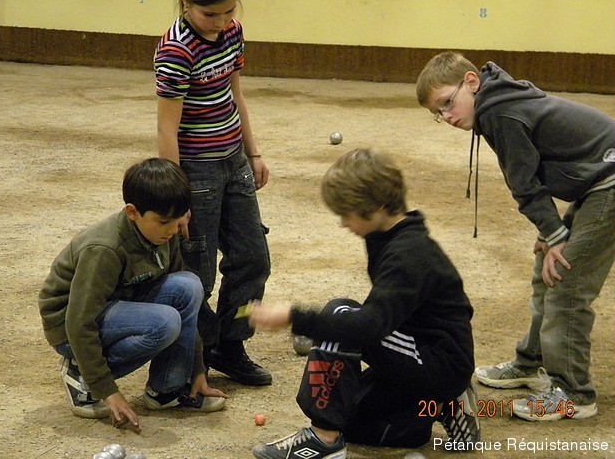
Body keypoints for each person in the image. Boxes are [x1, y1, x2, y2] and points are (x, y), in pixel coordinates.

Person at [415, 51, 615, 421]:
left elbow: (524, 184)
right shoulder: (497, 103)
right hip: (596, 181)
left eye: (447, 103)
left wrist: (556, 236)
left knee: (567, 282)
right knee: (546, 270)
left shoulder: (500, 111)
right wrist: (550, 232)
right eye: (438, 113)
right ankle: (530, 362)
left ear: (471, 82)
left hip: (608, 181)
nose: (447, 117)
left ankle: (574, 393)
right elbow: (536, 173)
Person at [249, 148, 480, 458]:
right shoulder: (384, 235)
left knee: (341, 313)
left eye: (348, 213)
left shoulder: (409, 254)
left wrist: (294, 316)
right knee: (351, 419)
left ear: (378, 207)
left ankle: (323, 439)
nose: (344, 223)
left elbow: (368, 327)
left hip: (438, 360)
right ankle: (443, 405)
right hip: (414, 355)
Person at [38, 158, 228, 432]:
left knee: (189, 285)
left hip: (119, 304)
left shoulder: (164, 234)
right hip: (69, 326)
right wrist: (106, 389)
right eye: (163, 222)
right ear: (132, 212)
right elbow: (79, 321)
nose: (172, 230)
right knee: (164, 322)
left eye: (178, 220)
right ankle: (81, 374)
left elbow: (187, 307)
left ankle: (166, 390)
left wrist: (196, 370)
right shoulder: (104, 249)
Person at [154, 0, 272, 387]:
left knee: (253, 259)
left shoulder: (232, 33)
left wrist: (253, 153)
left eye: (229, 12)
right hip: (196, 171)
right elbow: (167, 130)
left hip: (233, 160)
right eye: (210, 14)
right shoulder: (176, 50)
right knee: (197, 274)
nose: (221, 22)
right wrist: (176, 198)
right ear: (185, 0)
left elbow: (236, 95)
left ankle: (231, 345)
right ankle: (196, 356)